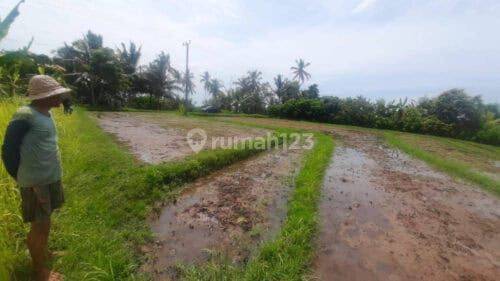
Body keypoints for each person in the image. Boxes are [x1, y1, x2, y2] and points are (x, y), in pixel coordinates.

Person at [2, 75, 70, 281]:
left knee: (46, 221)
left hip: (49, 178)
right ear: (43, 97)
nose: (60, 98)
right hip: (35, 182)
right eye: (55, 94)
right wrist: (20, 176)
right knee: (40, 226)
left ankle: (44, 253)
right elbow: (8, 150)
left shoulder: (45, 113)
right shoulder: (25, 115)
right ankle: (39, 271)